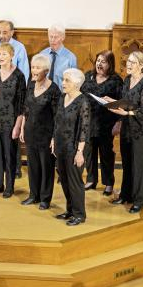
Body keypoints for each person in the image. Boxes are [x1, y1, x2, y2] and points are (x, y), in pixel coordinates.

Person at [0, 21, 29, 177]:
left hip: (12, 99)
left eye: (5, 32)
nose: (1, 35)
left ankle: (15, 168)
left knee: (11, 136)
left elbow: (25, 76)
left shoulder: (20, 48)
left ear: (12, 32)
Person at [108, 51, 143, 213]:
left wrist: (126, 114)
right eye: (128, 61)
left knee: (137, 166)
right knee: (126, 164)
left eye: (132, 62)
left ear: (141, 65)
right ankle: (126, 194)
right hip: (127, 128)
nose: (128, 64)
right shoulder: (127, 80)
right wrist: (111, 102)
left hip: (141, 131)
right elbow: (125, 103)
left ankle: (140, 199)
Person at [0, 43, 26, 198]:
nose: (1, 57)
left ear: (12, 55)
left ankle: (9, 187)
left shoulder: (19, 76)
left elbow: (21, 103)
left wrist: (18, 125)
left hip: (10, 122)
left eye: (4, 54)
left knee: (10, 155)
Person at [19, 54, 61, 210]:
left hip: (46, 135)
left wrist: (54, 138)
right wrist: (23, 127)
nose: (34, 70)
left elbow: (58, 116)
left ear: (46, 71)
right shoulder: (30, 85)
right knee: (33, 166)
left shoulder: (54, 90)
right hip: (30, 132)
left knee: (46, 167)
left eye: (37, 68)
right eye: (32, 67)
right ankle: (33, 195)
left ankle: (45, 199)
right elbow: (26, 108)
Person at [81, 50, 123, 196]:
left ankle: (109, 183)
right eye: (98, 60)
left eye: (103, 61)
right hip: (88, 122)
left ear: (110, 64)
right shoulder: (88, 76)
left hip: (106, 124)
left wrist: (119, 122)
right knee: (89, 152)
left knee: (106, 154)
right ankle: (91, 180)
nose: (99, 63)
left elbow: (120, 103)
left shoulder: (116, 80)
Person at [52, 68, 90, 226]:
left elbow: (84, 129)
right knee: (65, 180)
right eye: (63, 79)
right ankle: (70, 210)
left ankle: (79, 214)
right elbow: (57, 121)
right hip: (61, 145)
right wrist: (53, 139)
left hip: (75, 149)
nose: (63, 83)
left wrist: (80, 152)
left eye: (67, 80)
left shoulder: (83, 102)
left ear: (77, 84)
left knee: (75, 182)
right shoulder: (62, 98)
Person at [40, 24, 77, 88]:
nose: (52, 40)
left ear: (63, 38)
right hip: (43, 93)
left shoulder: (70, 58)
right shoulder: (42, 54)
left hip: (61, 95)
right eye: (51, 37)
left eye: (56, 37)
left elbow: (73, 82)